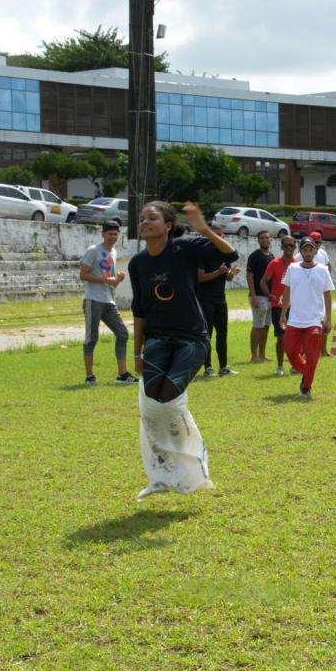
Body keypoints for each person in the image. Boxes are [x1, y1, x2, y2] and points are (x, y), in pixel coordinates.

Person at [129, 200, 238, 500]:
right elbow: (139, 310)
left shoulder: (184, 248)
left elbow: (230, 254)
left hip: (192, 338)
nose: (145, 222)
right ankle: (162, 474)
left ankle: (195, 463)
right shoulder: (137, 263)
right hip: (157, 339)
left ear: (167, 225)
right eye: (142, 218)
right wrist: (137, 352)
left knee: (167, 399)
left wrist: (202, 228)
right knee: (152, 403)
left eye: (152, 218)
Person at [79, 218, 138, 386]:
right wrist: (106, 280)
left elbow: (110, 281)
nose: (112, 237)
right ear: (103, 234)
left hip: (108, 300)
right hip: (93, 299)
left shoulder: (113, 252)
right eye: (109, 233)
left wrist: (118, 279)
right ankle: (90, 376)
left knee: (123, 334)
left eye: (115, 234)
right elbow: (83, 275)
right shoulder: (93, 250)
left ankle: (122, 375)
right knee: (92, 338)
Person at [279, 236, 335, 399]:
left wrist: (328, 318)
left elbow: (327, 295)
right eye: (305, 249)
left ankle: (306, 386)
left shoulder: (323, 270)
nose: (308, 252)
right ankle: (307, 371)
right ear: (301, 251)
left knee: (312, 355)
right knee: (289, 350)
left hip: (314, 320)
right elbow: (287, 291)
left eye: (311, 249)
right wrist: (283, 314)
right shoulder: (293, 268)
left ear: (315, 251)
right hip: (295, 319)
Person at [198, 252, 240, 377]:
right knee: (207, 334)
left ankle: (223, 367)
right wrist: (218, 272)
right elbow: (200, 277)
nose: (220, 237)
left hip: (221, 300)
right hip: (205, 301)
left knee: (222, 334)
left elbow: (227, 277)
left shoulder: (225, 256)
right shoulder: (203, 256)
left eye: (221, 235)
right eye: (217, 235)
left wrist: (232, 273)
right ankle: (208, 368)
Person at [261, 233, 296, 376]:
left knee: (294, 338)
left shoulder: (298, 264)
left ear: (295, 247)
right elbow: (263, 281)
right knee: (281, 337)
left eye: (292, 245)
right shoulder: (274, 263)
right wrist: (269, 295)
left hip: (294, 307)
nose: (289, 248)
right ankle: (280, 366)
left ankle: (295, 365)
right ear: (282, 247)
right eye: (286, 245)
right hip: (278, 306)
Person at [245, 230, 274, 364]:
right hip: (258, 296)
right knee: (257, 325)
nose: (264, 240)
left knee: (266, 325)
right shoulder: (254, 256)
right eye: (262, 238)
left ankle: (262, 354)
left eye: (267, 238)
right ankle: (253, 356)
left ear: (270, 240)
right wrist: (254, 296)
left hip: (268, 297)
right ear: (258, 240)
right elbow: (250, 276)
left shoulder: (272, 257)